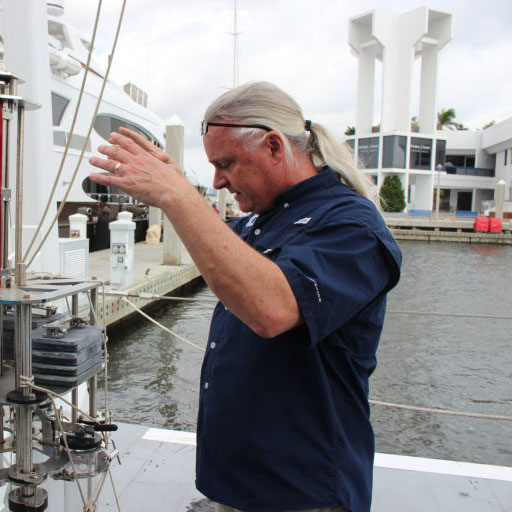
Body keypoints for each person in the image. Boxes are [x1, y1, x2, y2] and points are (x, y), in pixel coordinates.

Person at [89, 81, 402, 512]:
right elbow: (219, 252)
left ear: (275, 146)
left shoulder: (352, 225)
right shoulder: (265, 220)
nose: (218, 180)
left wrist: (176, 195)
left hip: (301, 487)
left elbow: (271, 309)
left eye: (227, 163)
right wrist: (177, 183)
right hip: (244, 481)